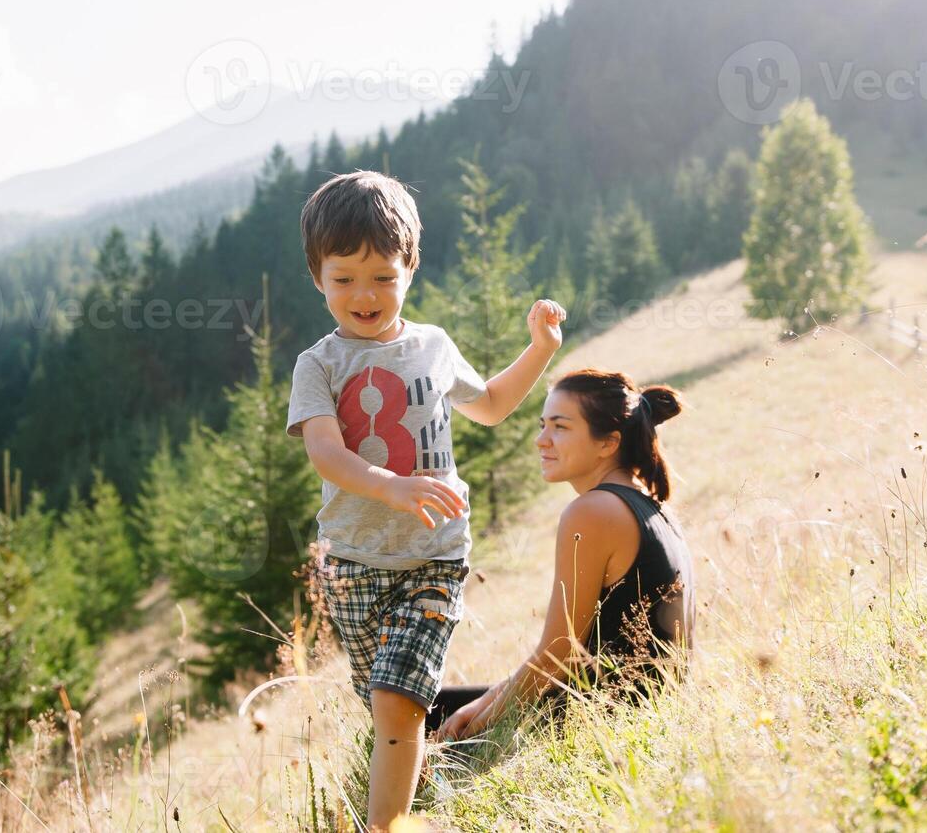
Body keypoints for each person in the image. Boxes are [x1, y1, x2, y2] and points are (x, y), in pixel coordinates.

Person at [285, 169, 568, 829]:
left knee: (395, 702)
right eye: (344, 279)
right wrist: (392, 486)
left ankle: (381, 825)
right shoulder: (318, 364)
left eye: (383, 276)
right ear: (316, 277)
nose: (365, 294)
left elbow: (493, 406)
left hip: (433, 560)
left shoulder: (432, 347)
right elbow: (325, 452)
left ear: (409, 267)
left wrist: (539, 348)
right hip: (353, 566)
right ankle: (436, 772)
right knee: (386, 703)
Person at [431, 368, 694, 740]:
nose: (541, 440)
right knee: (436, 705)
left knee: (413, 714)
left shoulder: (594, 511)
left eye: (560, 427)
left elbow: (560, 652)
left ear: (608, 443)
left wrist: (479, 721)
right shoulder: (648, 504)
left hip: (600, 722)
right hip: (637, 711)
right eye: (543, 425)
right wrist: (486, 700)